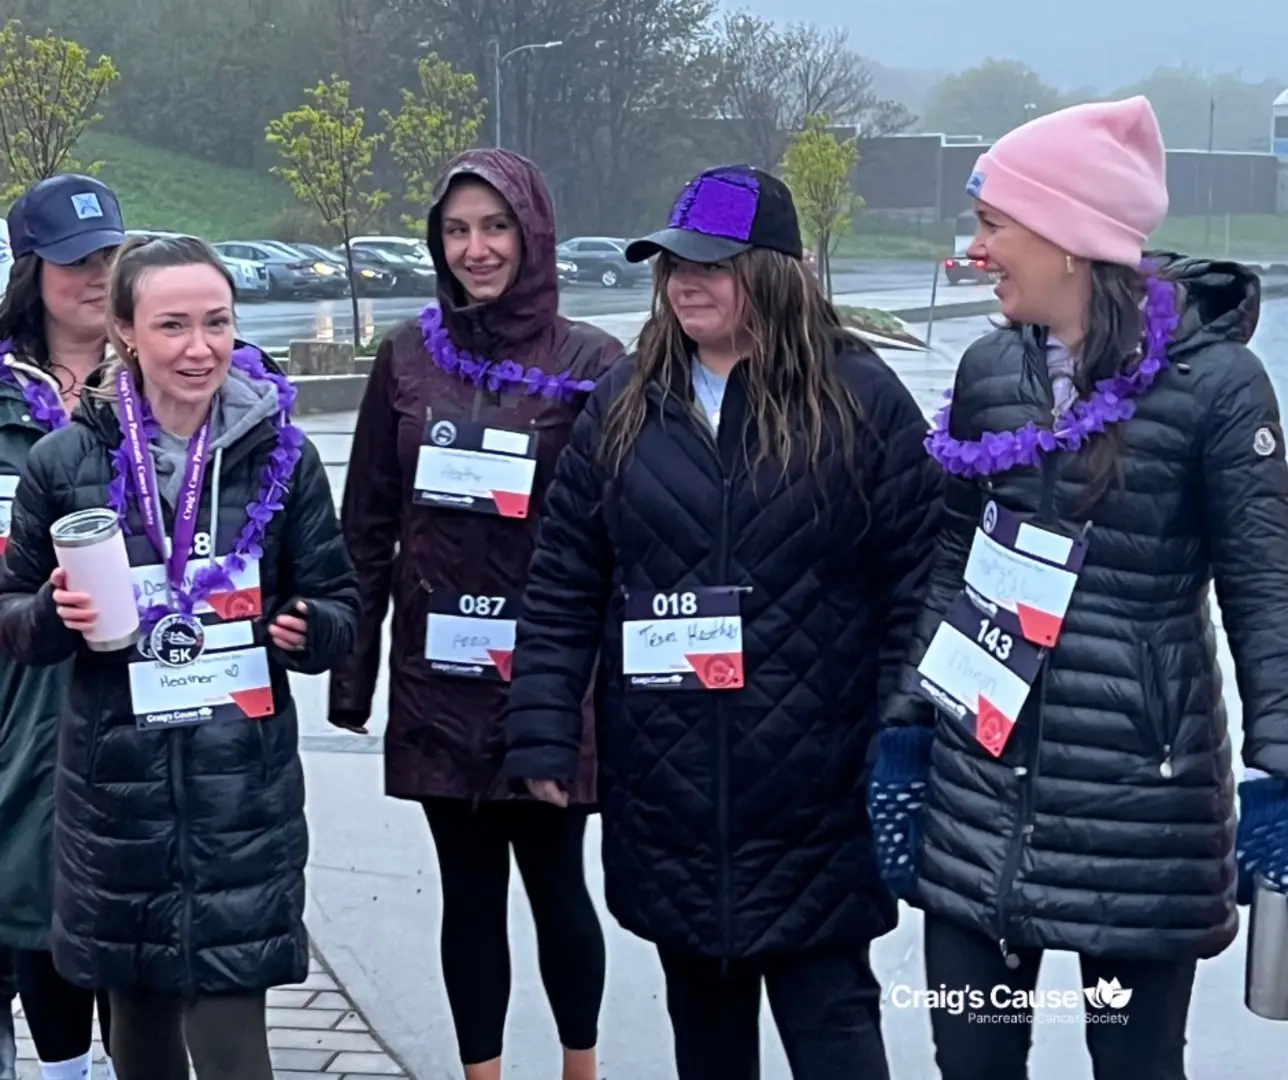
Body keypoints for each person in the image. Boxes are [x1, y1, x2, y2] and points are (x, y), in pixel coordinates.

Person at [866, 96, 1288, 1080]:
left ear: (1066, 239)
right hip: (979, 796)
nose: (975, 250)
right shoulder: (985, 371)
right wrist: (905, 724)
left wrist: (1281, 768)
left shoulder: (1218, 389)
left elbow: (1265, 590)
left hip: (1140, 801)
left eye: (992, 226)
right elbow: (950, 563)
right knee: (970, 1065)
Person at [503, 164, 943, 1079]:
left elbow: (921, 580)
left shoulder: (860, 401)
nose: (684, 282)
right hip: (669, 792)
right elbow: (564, 578)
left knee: (836, 1037)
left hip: (818, 796)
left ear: (775, 273)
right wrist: (543, 728)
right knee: (704, 1040)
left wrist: (898, 726)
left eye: (711, 264)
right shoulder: (626, 403)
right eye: (671, 265)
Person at [0, 234, 359, 1080]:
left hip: (241, 795)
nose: (200, 349)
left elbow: (342, 602)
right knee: (142, 1038)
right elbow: (12, 616)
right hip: (117, 800)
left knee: (236, 1048)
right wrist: (54, 613)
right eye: (172, 326)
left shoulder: (282, 454)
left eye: (218, 323)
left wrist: (312, 629)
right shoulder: (65, 461)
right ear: (125, 331)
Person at [328, 148, 622, 1080]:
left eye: (494, 227)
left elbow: (624, 535)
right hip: (436, 671)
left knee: (555, 883)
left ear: (532, 235)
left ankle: (582, 1067)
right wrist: (351, 676)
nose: (475, 249)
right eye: (457, 230)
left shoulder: (593, 361)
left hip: (546, 676)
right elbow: (366, 522)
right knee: (467, 892)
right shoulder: (406, 358)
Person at [0, 174, 125, 1080]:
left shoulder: (169, 382)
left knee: (124, 916)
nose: (96, 276)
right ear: (29, 271)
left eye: (111, 257)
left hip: (131, 691)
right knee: (27, 900)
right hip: (14, 689)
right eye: (76, 261)